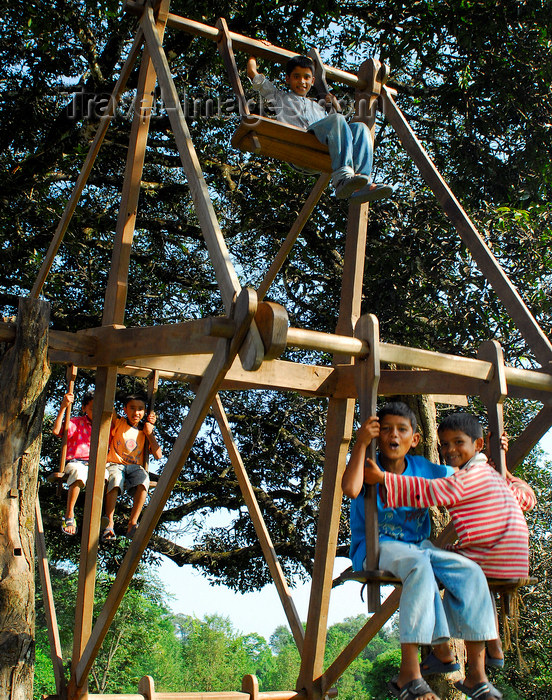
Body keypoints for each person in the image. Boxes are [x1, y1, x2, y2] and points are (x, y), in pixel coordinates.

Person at [342, 402, 501, 700]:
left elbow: (467, 476)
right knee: (418, 565)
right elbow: (350, 489)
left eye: (402, 430)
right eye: (386, 429)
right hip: (377, 548)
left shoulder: (424, 469)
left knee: (470, 570)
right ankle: (409, 674)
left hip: (421, 547)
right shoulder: (368, 464)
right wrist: (361, 442)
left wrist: (490, 454)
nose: (394, 435)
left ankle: (476, 676)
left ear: (414, 439)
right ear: (377, 436)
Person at [362, 411, 536, 674]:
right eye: (445, 445)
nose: (449, 450)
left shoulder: (467, 479)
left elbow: (431, 491)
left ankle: (444, 648)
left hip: (490, 556)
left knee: (451, 572)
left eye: (458, 443)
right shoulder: (494, 479)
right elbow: (528, 498)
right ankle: (494, 645)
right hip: (515, 562)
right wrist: (504, 468)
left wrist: (384, 479)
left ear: (477, 445)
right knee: (463, 568)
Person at [246, 53, 393, 203]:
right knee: (336, 119)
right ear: (287, 79)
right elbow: (254, 75)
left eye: (306, 77)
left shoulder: (318, 107)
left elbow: (340, 132)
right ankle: (342, 179)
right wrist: (252, 51)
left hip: (321, 151)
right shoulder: (279, 97)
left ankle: (362, 183)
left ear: (313, 80)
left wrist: (335, 106)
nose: (302, 81)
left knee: (360, 128)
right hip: (299, 147)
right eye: (296, 77)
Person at [102, 392, 162, 542]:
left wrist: (150, 433)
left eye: (140, 409)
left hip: (134, 467)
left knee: (144, 480)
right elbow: (109, 403)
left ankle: (133, 522)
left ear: (145, 412)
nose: (136, 412)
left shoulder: (145, 430)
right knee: (114, 479)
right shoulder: (119, 422)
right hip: (116, 464)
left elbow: (158, 455)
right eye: (132, 408)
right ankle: (109, 522)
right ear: (125, 410)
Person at [52, 390, 106, 536]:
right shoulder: (76, 422)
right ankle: (70, 514)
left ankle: (104, 516)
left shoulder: (106, 426)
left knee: (108, 475)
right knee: (79, 472)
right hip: (76, 462)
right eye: (93, 408)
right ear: (84, 408)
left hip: (95, 464)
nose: (97, 412)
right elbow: (57, 430)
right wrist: (64, 407)